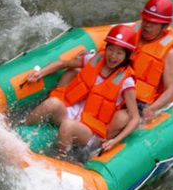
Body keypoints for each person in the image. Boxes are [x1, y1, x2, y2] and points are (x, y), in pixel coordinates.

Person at [24, 25, 140, 156]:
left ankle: (60, 159)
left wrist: (114, 141)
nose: (113, 56)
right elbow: (63, 64)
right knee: (52, 103)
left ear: (126, 56)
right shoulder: (94, 59)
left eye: (119, 53)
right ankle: (21, 128)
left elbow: (135, 118)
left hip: (90, 130)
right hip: (71, 112)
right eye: (111, 49)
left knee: (68, 126)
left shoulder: (126, 81)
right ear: (106, 48)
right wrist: (40, 73)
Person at [107, 0, 173, 134]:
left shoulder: (169, 54)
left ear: (164, 26)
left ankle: (96, 148)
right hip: (115, 88)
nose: (147, 25)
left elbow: (170, 90)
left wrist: (152, 108)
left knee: (121, 118)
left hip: (137, 102)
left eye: (153, 23)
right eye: (146, 20)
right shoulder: (131, 35)